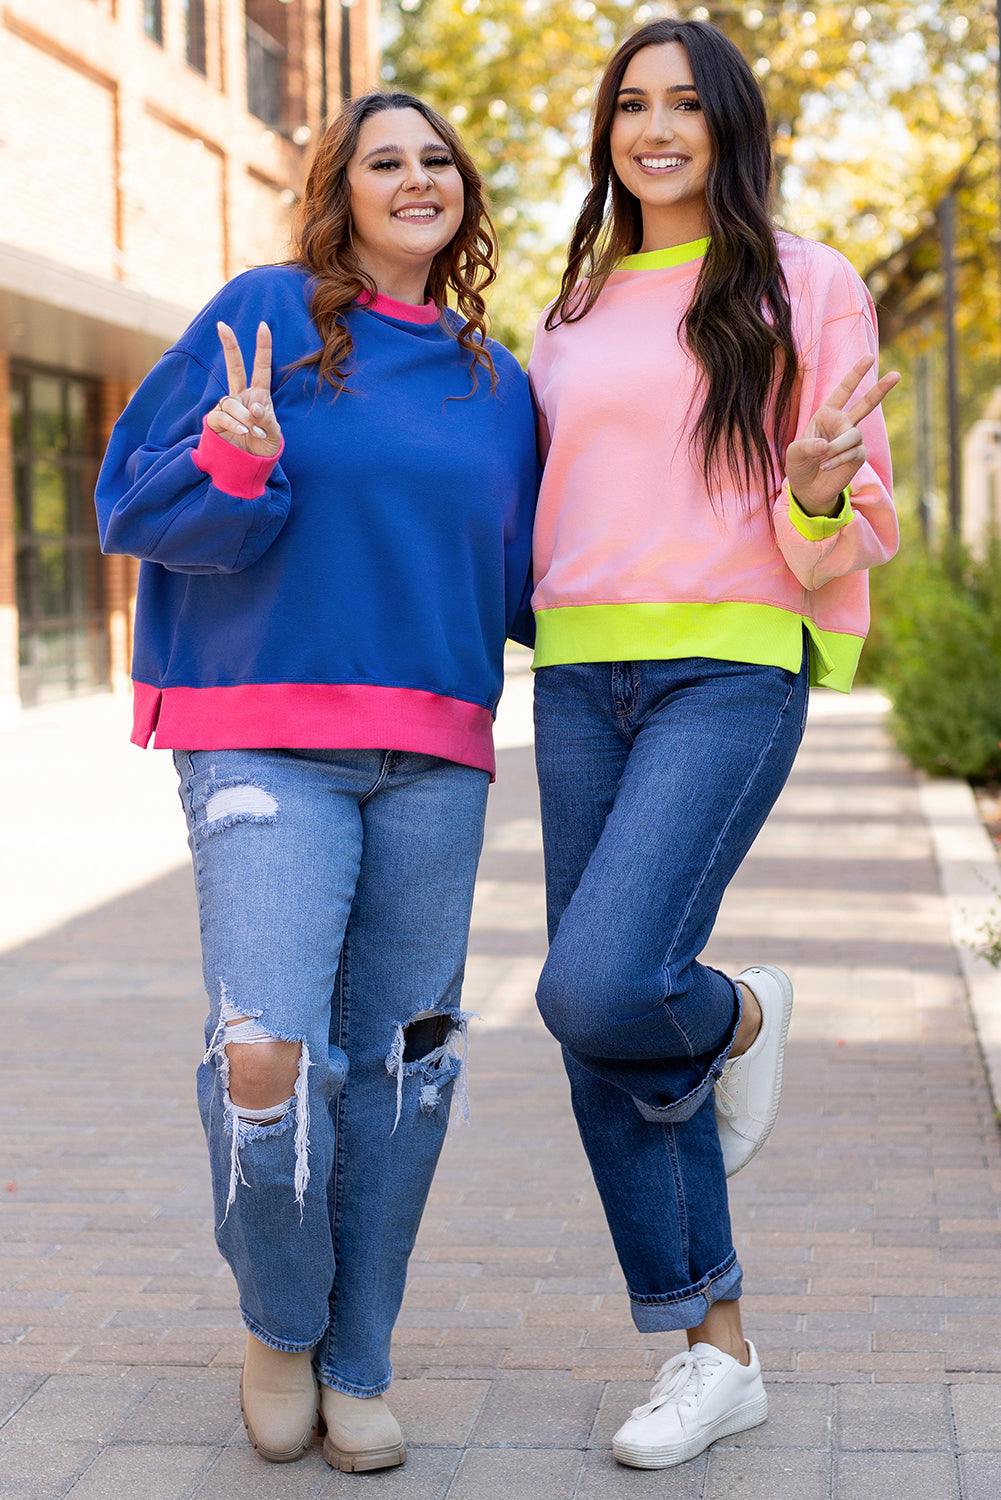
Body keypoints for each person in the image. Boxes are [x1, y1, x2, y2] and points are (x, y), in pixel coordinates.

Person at [95, 92, 536, 1472]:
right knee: (268, 1052)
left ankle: (358, 1356)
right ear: (338, 192)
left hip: (436, 754)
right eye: (381, 161)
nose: (415, 179)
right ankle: (281, 1324)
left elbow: (537, 584)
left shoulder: (497, 379)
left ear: (464, 193)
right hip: (259, 738)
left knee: (401, 1072)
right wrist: (236, 452)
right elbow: (132, 501)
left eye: (436, 160)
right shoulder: (265, 315)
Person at [527, 18, 898, 1470]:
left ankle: (732, 1009)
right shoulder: (570, 301)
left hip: (728, 668)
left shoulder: (807, 282)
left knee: (603, 982)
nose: (656, 127)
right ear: (607, 129)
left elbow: (858, 516)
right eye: (632, 104)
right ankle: (711, 1349)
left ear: (729, 122)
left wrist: (811, 489)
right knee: (599, 1025)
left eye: (686, 102)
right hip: (575, 678)